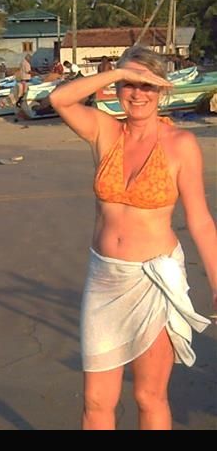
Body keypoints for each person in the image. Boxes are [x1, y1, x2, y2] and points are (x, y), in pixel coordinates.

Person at [49, 45, 215, 430]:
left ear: (162, 91)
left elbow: (201, 220)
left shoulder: (181, 145)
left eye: (147, 86)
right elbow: (60, 98)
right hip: (105, 279)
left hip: (154, 281)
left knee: (148, 396)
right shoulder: (104, 132)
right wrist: (116, 74)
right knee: (95, 401)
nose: (137, 94)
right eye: (130, 85)